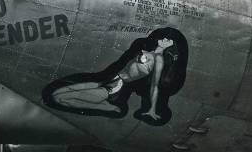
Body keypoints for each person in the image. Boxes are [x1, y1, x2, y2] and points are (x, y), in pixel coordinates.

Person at [42, 27, 187, 123]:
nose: (165, 39)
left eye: (169, 40)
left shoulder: (159, 60)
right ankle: (109, 107)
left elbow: (155, 86)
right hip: (106, 80)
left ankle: (110, 107)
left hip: (115, 88)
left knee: (60, 98)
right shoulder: (143, 48)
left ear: (172, 46)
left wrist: (152, 108)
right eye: (165, 37)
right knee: (60, 93)